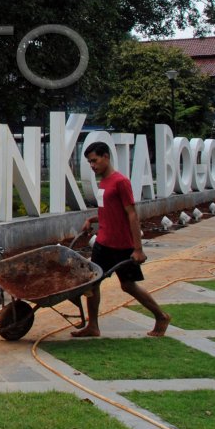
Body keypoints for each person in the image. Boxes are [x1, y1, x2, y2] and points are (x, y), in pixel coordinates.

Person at [71, 141, 170, 338]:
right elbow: (109, 212)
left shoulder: (120, 182)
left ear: (106, 157)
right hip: (102, 243)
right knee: (92, 284)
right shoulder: (103, 183)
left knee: (128, 285)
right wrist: (92, 219)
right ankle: (93, 326)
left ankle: (161, 316)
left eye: (95, 161)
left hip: (121, 246)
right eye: (90, 162)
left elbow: (132, 215)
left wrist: (138, 248)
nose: (92, 165)